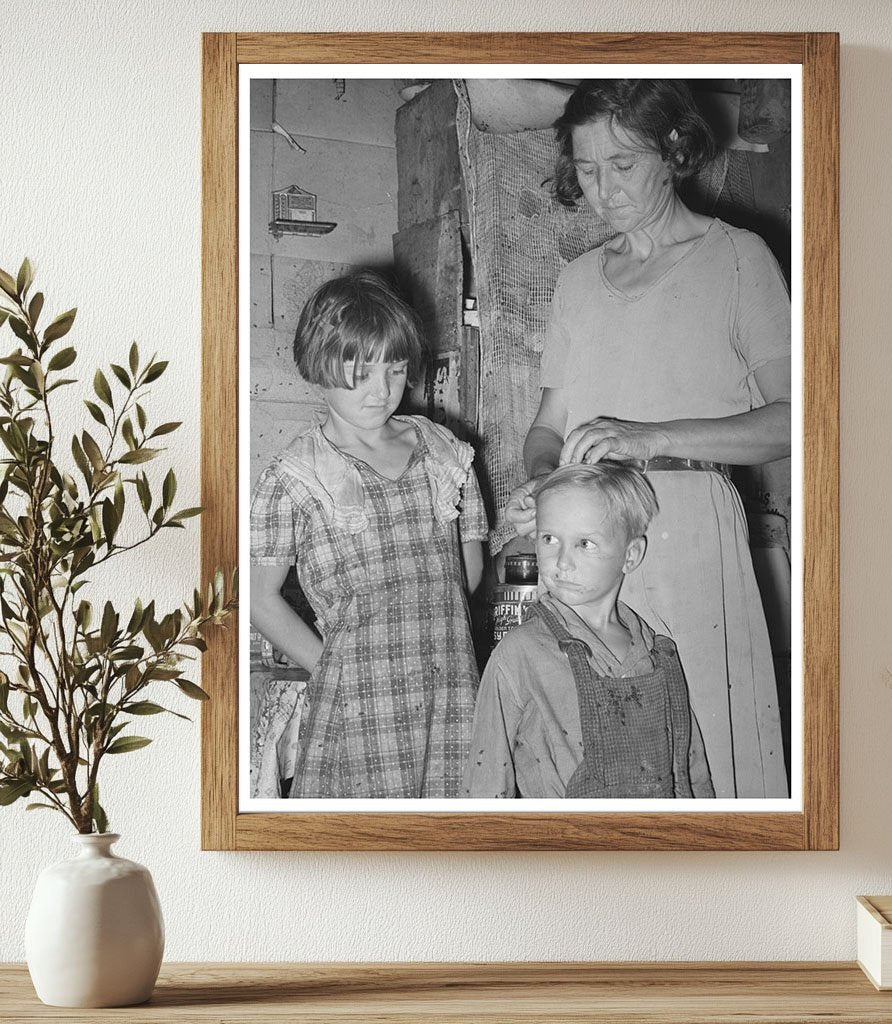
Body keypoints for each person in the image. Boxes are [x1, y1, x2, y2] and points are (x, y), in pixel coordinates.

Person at [505, 80, 791, 799]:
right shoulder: (575, 283)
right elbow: (546, 429)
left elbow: (799, 418)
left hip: (689, 541)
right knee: (596, 755)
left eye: (623, 165)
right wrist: (545, 487)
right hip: (588, 552)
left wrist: (647, 436)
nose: (605, 190)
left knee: (709, 751)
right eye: (588, 170)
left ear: (673, 151)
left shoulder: (739, 259)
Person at [250, 270, 487, 798]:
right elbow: (258, 598)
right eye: (359, 373)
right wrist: (333, 668)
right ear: (317, 369)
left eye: (396, 370)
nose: (381, 392)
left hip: (451, 695)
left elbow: (467, 572)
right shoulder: (295, 475)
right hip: (357, 707)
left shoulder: (446, 452)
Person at [464, 462, 715, 800]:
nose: (562, 561)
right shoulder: (519, 653)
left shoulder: (658, 655)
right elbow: (486, 782)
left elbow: (691, 772)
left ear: (630, 555)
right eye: (550, 539)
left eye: (584, 543)